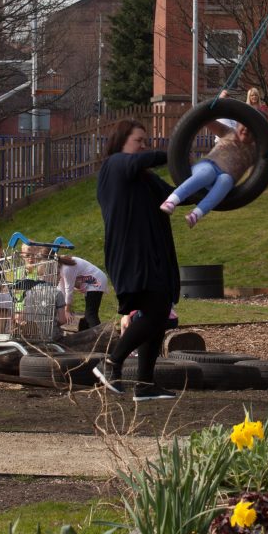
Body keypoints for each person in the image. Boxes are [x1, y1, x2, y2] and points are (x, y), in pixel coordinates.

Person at [96, 119, 183, 402]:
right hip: (132, 254)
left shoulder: (145, 179)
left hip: (152, 254)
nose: (145, 147)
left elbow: (176, 195)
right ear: (121, 142)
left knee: (157, 313)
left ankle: (145, 384)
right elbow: (141, 160)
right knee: (156, 310)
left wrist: (220, 190)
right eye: (139, 141)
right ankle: (112, 362)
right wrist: (175, 150)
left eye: (146, 141)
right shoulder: (114, 166)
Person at [160, 118, 258, 227]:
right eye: (244, 125)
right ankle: (171, 201)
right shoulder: (229, 132)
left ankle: (196, 214)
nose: (246, 130)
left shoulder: (255, 151)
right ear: (237, 124)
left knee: (226, 180)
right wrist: (216, 104)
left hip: (225, 178)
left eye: (252, 128)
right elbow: (207, 119)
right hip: (207, 166)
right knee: (208, 172)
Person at [54, 238, 109, 328]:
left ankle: (100, 336)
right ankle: (87, 335)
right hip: (91, 282)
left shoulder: (66, 269)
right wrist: (63, 308)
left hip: (96, 281)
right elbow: (61, 291)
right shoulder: (60, 269)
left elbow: (69, 290)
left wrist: (67, 310)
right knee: (88, 315)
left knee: (91, 314)